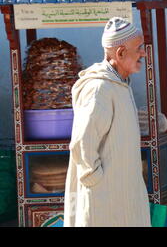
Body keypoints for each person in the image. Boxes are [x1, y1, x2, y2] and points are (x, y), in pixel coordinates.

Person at [64, 17, 150, 227]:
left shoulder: (118, 85)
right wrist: (97, 182)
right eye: (139, 48)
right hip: (103, 197)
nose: (144, 53)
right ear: (120, 53)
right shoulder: (99, 88)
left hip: (121, 194)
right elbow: (83, 142)